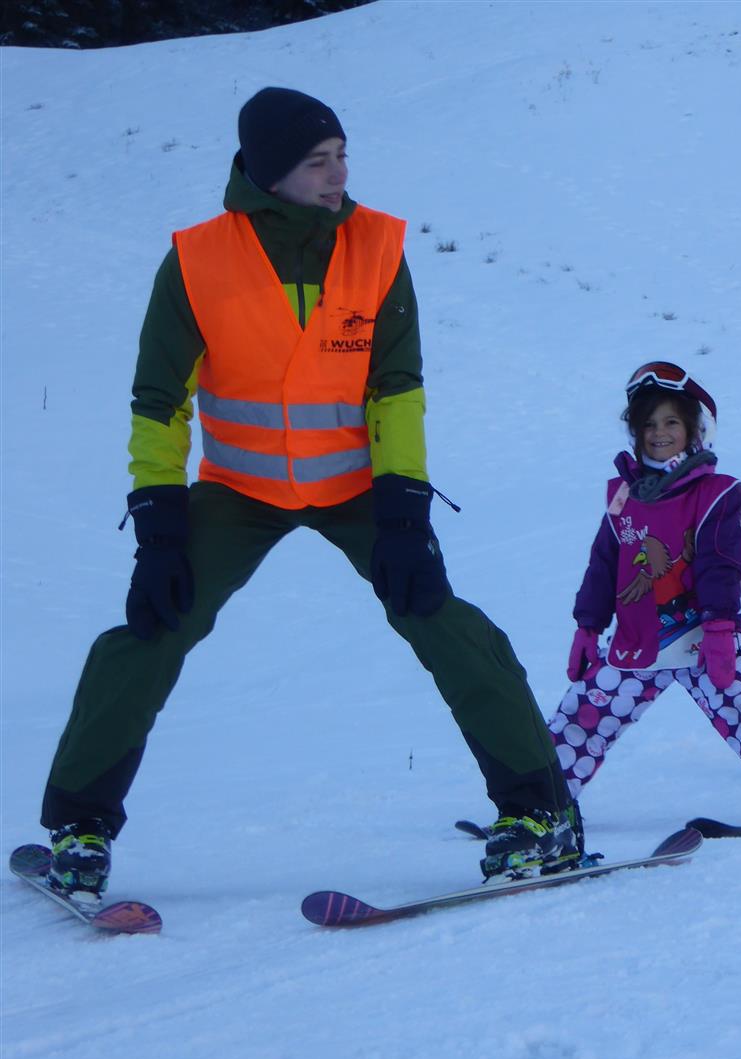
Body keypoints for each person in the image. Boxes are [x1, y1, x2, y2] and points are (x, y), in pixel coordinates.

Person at [40, 87, 577, 900]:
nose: (338, 176)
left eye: (341, 157)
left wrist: (405, 511)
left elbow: (396, 388)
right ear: (269, 173)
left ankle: (539, 812)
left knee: (439, 617)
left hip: (357, 486)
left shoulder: (377, 249)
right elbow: (159, 400)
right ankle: (79, 827)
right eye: (318, 162)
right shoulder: (196, 260)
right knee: (151, 627)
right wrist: (158, 522)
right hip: (241, 488)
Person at [548, 363, 741, 821]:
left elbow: (720, 564)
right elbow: (604, 564)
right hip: (636, 642)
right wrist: (587, 627)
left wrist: (721, 628)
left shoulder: (716, 493)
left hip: (702, 637)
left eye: (671, 422)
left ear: (694, 429)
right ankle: (543, 801)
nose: (659, 433)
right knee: (582, 716)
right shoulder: (624, 497)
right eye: (649, 424)